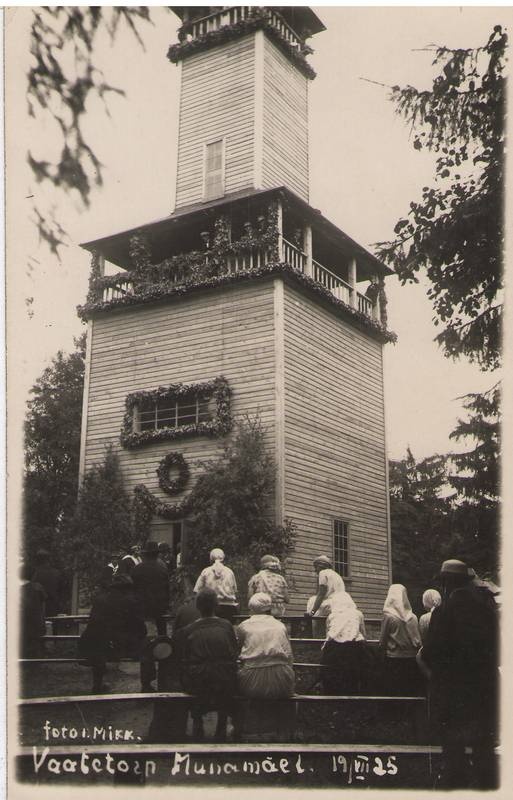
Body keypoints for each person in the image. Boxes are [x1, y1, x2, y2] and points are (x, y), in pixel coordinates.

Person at [419, 559, 499, 790]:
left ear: (445, 585)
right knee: (484, 745)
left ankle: (456, 787)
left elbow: (430, 654)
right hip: (483, 691)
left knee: (453, 748)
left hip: (452, 693)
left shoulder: (442, 613)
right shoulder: (486, 611)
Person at [174, 588, 239, 741]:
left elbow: (184, 656)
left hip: (199, 678)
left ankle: (197, 722)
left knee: (190, 675)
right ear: (217, 606)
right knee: (226, 676)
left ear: (198, 607)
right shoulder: (226, 626)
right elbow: (234, 652)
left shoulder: (188, 630)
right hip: (224, 677)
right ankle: (221, 725)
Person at [78, 574, 154, 692]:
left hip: (100, 646)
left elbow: (93, 624)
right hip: (124, 646)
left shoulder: (100, 600)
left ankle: (97, 684)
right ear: (127, 588)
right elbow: (141, 628)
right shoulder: (133, 601)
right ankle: (146, 685)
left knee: (98, 640)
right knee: (149, 645)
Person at [236, 592, 295, 698]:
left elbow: (238, 651)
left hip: (252, 678)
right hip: (280, 677)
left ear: (252, 609)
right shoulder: (280, 626)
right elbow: (289, 656)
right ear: (269, 609)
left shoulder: (243, 626)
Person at [320, 590, 368, 695]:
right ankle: (354, 690)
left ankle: (334, 692)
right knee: (356, 668)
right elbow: (363, 633)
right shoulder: (358, 614)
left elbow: (328, 634)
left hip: (335, 647)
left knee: (333, 669)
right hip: (354, 646)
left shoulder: (331, 616)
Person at [379, 583, 422, 696]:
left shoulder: (389, 617)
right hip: (411, 659)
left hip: (394, 659)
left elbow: (382, 641)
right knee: (409, 691)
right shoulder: (413, 617)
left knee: (395, 692)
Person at [132, 541, 170, 635]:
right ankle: (163, 641)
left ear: (145, 554)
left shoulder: (137, 568)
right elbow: (167, 588)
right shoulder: (163, 568)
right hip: (159, 606)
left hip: (142, 606)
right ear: (157, 554)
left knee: (139, 629)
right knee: (161, 627)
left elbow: (132, 588)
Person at [193, 548, 238, 623]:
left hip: (211, 608)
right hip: (229, 608)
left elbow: (197, 591)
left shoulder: (206, 571)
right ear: (223, 559)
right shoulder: (230, 572)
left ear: (211, 559)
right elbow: (234, 591)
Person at [305, 555, 345, 638]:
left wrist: (312, 612)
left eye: (315, 567)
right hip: (341, 604)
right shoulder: (337, 575)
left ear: (320, 566)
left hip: (330, 605)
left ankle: (315, 638)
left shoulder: (323, 573)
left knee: (312, 601)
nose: (315, 570)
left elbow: (321, 594)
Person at [19, 561, 46, 658]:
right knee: (33, 646)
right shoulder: (37, 587)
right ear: (33, 575)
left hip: (20, 623)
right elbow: (43, 604)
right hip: (35, 623)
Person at [31, 549, 64, 617]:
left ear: (36, 560)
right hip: (53, 608)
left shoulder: (33, 573)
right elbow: (62, 591)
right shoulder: (57, 573)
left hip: (37, 609)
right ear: (49, 559)